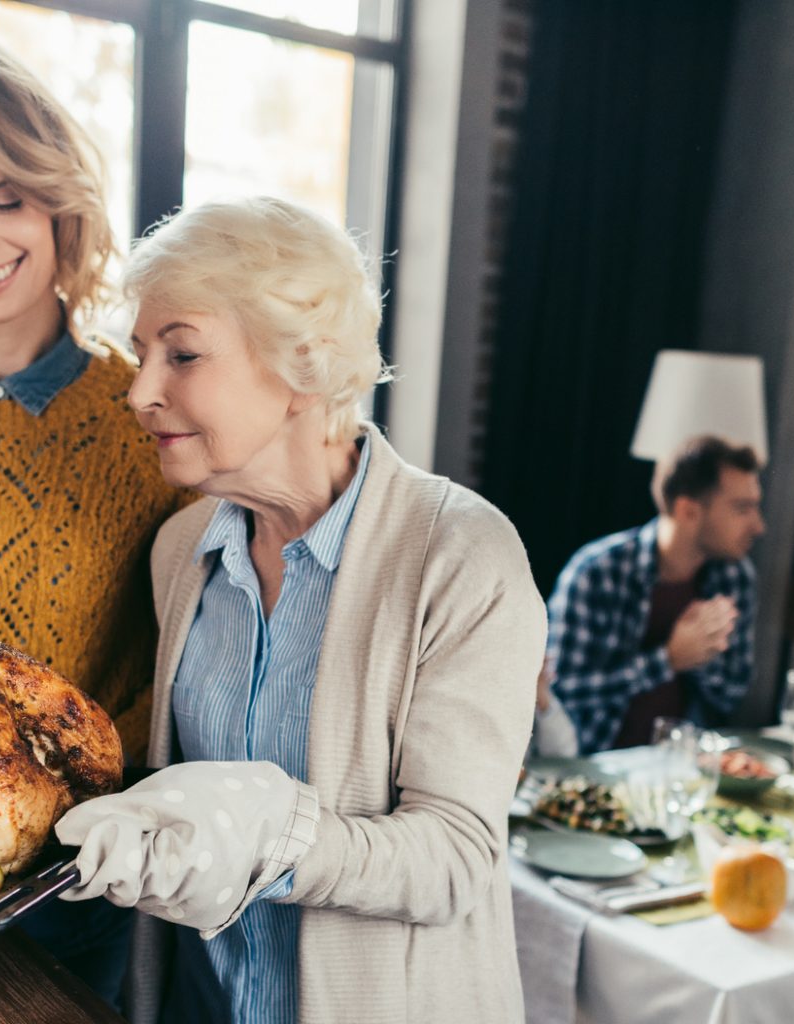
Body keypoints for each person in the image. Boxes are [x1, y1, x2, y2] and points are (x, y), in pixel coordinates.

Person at [53, 195, 547, 1024]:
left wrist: (274, 833)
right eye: (142, 356)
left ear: (302, 366)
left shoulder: (462, 553)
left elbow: (456, 860)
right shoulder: (179, 551)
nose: (139, 392)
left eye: (182, 355)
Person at [0, 23, 187, 1006]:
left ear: (58, 193)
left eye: (4, 199)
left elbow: (183, 665)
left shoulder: (156, 419)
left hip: (70, 902)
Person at [541, 434, 765, 755]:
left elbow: (731, 694)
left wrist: (701, 652)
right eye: (742, 508)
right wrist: (667, 659)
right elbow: (560, 693)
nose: (758, 526)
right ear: (688, 511)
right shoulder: (598, 571)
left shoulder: (734, 577)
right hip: (594, 766)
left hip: (683, 768)